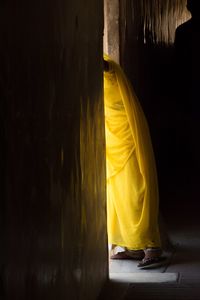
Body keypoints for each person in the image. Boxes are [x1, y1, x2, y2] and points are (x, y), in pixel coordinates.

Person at [103, 55, 164, 268]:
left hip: (127, 140)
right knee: (118, 196)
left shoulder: (109, 70)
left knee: (135, 192)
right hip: (112, 142)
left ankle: (152, 247)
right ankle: (133, 247)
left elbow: (105, 67)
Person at [174, 0, 200, 188]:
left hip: (190, 90)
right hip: (190, 90)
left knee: (193, 130)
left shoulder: (182, 32)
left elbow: (178, 66)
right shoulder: (182, 33)